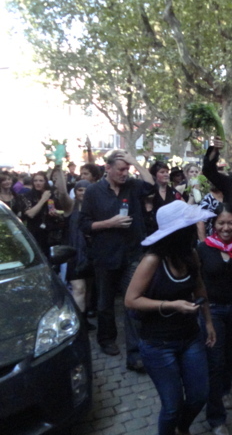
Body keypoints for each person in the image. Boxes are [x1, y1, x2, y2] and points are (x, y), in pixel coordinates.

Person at [125, 200, 215, 435]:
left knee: (199, 395)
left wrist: (208, 321)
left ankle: (182, 429)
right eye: (190, 227)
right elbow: (131, 300)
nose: (195, 230)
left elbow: (200, 289)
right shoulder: (152, 260)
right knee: (172, 406)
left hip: (190, 338)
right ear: (178, 233)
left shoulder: (191, 255)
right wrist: (171, 305)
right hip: (158, 344)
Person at [79, 149, 154, 369]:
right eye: (121, 169)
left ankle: (135, 352)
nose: (125, 173)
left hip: (131, 254)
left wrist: (135, 162)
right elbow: (84, 224)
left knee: (133, 301)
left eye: (127, 169)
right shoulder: (93, 192)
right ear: (108, 168)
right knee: (105, 302)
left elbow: (150, 185)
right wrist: (108, 224)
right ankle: (106, 339)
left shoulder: (132, 186)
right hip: (105, 255)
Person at [198, 203, 232, 435]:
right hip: (213, 311)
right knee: (215, 362)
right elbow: (197, 283)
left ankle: (225, 390)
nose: (226, 228)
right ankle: (216, 418)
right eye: (221, 223)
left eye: (231, 223)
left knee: (230, 356)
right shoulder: (203, 248)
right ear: (214, 224)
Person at [65, 179, 95, 329]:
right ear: (75, 192)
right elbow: (62, 194)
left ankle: (84, 318)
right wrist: (58, 170)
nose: (83, 193)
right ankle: (79, 324)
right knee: (79, 289)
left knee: (88, 288)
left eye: (86, 190)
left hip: (91, 253)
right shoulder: (71, 207)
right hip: (74, 254)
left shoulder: (95, 209)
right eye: (80, 190)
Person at [23, 168, 73, 253]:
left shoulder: (52, 194)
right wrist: (43, 199)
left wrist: (56, 213)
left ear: (45, 182)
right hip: (34, 232)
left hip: (51, 234)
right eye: (35, 181)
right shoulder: (28, 196)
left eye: (41, 181)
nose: (38, 183)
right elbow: (30, 214)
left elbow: (62, 211)